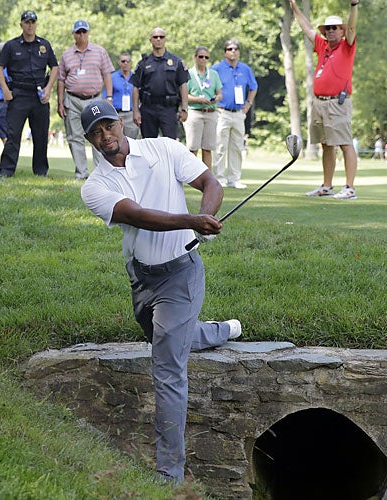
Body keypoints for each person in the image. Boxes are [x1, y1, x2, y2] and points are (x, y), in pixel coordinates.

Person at [79, 99, 241, 486]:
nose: (106, 136)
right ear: (88, 138)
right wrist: (190, 219)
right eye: (96, 132)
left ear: (121, 123)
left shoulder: (163, 148)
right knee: (164, 336)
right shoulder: (94, 186)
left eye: (109, 126)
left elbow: (210, 182)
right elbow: (138, 216)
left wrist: (207, 216)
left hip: (181, 274)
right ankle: (221, 331)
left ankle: (169, 473)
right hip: (141, 278)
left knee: (167, 366)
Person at [290, 0, 359, 200]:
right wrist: (294, 6)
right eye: (327, 28)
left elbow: (353, 26)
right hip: (319, 103)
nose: (330, 31)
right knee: (326, 144)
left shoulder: (347, 45)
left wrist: (354, 6)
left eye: (334, 28)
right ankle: (327, 186)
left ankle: (350, 188)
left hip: (338, 102)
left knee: (345, 143)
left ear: (342, 31)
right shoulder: (322, 46)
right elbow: (306, 28)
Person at [0, 10, 58, 177]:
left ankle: (40, 172)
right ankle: (6, 171)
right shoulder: (12, 45)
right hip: (19, 94)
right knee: (13, 134)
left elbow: (55, 67)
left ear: (36, 24)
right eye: (27, 22)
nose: (30, 25)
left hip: (39, 95)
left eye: (32, 22)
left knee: (41, 135)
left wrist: (49, 88)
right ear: (21, 24)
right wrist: (6, 91)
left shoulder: (44, 45)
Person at [57, 20, 113, 179]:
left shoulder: (100, 51)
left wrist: (108, 97)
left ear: (88, 33)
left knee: (99, 135)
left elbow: (107, 75)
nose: (81, 35)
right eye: (78, 32)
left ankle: (100, 173)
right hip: (72, 100)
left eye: (84, 32)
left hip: (94, 99)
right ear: (73, 34)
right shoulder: (67, 54)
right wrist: (60, 103)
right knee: (75, 137)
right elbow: (60, 80)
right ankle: (81, 173)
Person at [211, 40, 257, 189]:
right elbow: (208, 86)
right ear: (225, 52)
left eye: (235, 49)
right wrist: (214, 104)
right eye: (230, 49)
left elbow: (253, 87)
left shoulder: (245, 69)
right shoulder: (217, 68)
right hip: (222, 111)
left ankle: (234, 179)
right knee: (220, 146)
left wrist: (248, 104)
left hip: (238, 113)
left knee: (237, 147)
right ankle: (219, 178)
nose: (233, 51)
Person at [131, 28, 189, 140]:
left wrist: (184, 109)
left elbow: (183, 86)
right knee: (149, 144)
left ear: (165, 39)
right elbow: (135, 87)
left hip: (169, 108)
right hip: (148, 108)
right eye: (155, 37)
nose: (158, 39)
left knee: (170, 144)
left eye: (161, 37)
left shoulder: (177, 62)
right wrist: (136, 111)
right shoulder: (144, 63)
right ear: (150, 40)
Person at [183, 46, 222, 169]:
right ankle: (191, 175)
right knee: (193, 147)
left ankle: (207, 178)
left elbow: (220, 93)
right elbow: (184, 95)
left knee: (208, 148)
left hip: (211, 112)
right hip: (195, 112)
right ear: (195, 57)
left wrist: (216, 98)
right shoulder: (189, 74)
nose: (203, 59)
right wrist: (198, 99)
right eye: (201, 56)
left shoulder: (213, 74)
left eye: (206, 57)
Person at [106, 52, 139, 140]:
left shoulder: (136, 77)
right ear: (119, 62)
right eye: (123, 61)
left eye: (128, 61)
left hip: (131, 115)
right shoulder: (112, 77)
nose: (125, 63)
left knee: (131, 142)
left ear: (131, 63)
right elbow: (106, 97)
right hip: (117, 114)